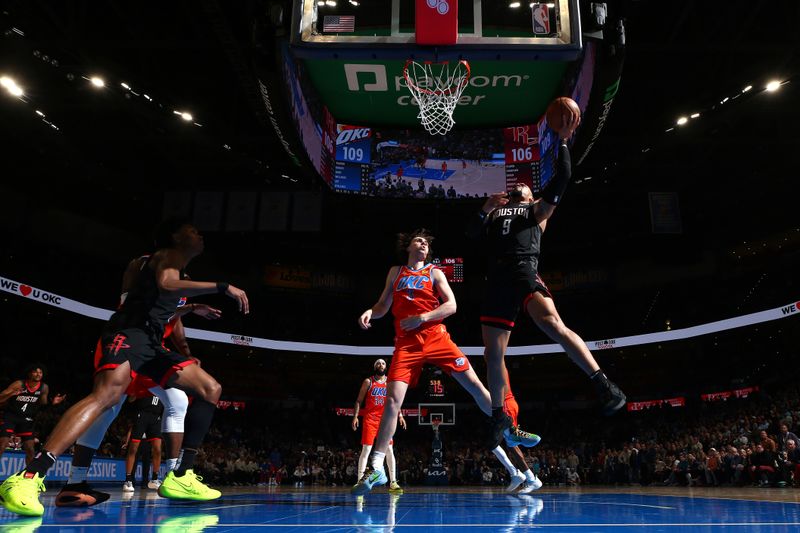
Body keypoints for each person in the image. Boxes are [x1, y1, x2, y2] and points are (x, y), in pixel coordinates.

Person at [0, 218, 249, 517]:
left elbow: (166, 310)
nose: (199, 234)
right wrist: (222, 287)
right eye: (192, 230)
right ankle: (30, 476)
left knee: (209, 388)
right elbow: (163, 286)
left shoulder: (175, 269)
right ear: (174, 237)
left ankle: (180, 475)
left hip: (152, 344)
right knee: (106, 401)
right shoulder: (162, 258)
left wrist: (191, 310)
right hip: (129, 335)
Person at [466, 112, 626, 447]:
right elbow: (469, 237)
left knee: (553, 324)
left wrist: (563, 140)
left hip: (523, 270)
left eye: (525, 186)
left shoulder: (537, 211)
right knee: (492, 354)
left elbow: (564, 175)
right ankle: (499, 415)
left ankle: (602, 383)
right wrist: (483, 209)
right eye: (517, 185)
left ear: (532, 196)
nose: (519, 185)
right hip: (496, 279)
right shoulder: (495, 214)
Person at [351, 229, 539, 496]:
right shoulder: (396, 272)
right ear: (408, 246)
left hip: (436, 337)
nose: (424, 245)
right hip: (406, 343)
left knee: (474, 384)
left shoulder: (435, 273)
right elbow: (383, 304)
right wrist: (371, 311)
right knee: (393, 400)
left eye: (427, 243)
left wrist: (423, 318)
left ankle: (509, 429)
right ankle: (378, 466)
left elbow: (451, 306)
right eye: (419, 241)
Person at [55, 253, 220, 507]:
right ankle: (73, 482)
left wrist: (186, 352)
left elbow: (173, 320)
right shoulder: (141, 265)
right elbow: (142, 309)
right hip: (129, 340)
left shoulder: (182, 277)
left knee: (179, 400)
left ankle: (175, 475)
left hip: (151, 350)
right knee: (107, 409)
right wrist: (194, 304)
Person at [352, 358, 405, 494]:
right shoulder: (368, 382)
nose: (381, 365)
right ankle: (360, 482)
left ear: (385, 367)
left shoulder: (390, 383)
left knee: (389, 450)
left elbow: (395, 402)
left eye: (383, 363)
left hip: (385, 421)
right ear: (374, 366)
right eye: (378, 363)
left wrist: (400, 416)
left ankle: (393, 482)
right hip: (370, 420)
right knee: (366, 450)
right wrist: (355, 416)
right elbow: (358, 401)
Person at [0, 365, 65, 464]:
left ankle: (29, 476)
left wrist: (53, 403)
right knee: (2, 444)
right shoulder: (19, 384)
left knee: (30, 449)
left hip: (27, 420)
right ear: (29, 373)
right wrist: (11, 394)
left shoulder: (44, 388)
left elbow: (43, 406)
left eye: (40, 372)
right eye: (35, 372)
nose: (38, 374)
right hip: (11, 417)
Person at [122, 392, 164, 492]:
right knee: (133, 448)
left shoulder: (163, 386)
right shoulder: (144, 381)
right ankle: (128, 480)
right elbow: (130, 399)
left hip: (156, 417)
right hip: (142, 415)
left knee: (158, 449)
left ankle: (154, 479)